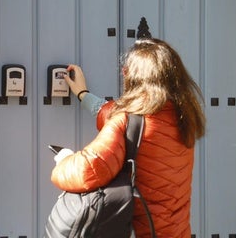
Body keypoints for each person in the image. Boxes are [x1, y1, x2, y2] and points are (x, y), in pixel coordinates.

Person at [50, 38, 206, 237]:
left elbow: (88, 170)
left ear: (129, 75)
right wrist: (83, 94)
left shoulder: (127, 122)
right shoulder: (183, 117)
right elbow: (114, 113)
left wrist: (64, 160)